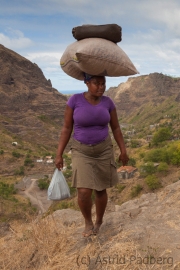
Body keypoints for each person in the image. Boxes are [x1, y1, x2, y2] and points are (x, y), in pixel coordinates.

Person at [55, 73, 129, 237]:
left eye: (103, 84)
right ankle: (88, 221)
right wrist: (59, 154)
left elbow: (116, 128)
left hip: (103, 150)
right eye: (97, 83)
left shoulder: (108, 103)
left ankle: (99, 221)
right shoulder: (74, 101)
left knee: (101, 189)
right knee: (83, 192)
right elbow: (66, 129)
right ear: (87, 83)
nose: (101, 87)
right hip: (81, 151)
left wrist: (123, 150)